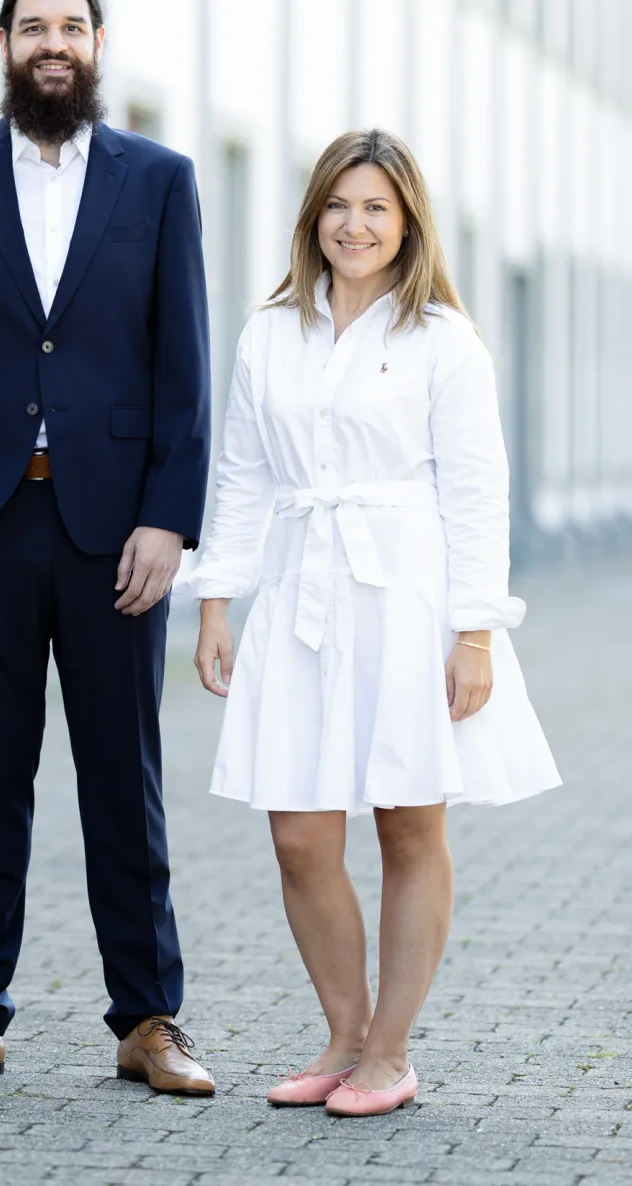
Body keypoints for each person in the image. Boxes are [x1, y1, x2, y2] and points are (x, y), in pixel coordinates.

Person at [0, 0, 216, 1093]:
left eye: (72, 25)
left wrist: (168, 519)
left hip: (115, 532)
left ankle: (150, 1019)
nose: (54, 42)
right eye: (35, 26)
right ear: (5, 43)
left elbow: (182, 367)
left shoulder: (159, 180)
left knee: (124, 777)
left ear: (99, 42)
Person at [186, 129, 560, 1117]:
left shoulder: (442, 339)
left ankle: (390, 1053)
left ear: (407, 225)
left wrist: (475, 633)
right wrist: (217, 600)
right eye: (339, 206)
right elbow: (243, 475)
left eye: (376, 209)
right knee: (298, 834)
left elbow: (478, 493)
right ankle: (344, 1036)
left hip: (408, 600)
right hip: (299, 590)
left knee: (407, 822)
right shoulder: (271, 332)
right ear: (314, 215)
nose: (354, 226)